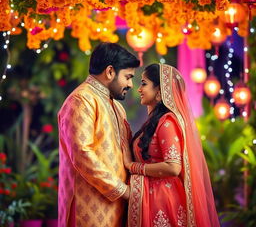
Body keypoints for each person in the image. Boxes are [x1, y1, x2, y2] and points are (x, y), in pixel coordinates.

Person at [122, 63, 220, 227]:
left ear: (160, 92)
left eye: (144, 83)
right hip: (153, 198)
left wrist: (133, 167)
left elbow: (173, 167)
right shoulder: (154, 122)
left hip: (163, 200)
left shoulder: (167, 122)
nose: (139, 89)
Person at [58, 42, 140, 226]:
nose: (130, 84)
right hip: (86, 208)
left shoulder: (117, 107)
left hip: (116, 207)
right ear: (110, 71)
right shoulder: (81, 99)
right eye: (128, 77)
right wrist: (123, 191)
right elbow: (81, 154)